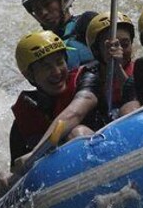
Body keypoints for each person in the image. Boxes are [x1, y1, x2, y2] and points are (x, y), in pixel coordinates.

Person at [6, 30, 98, 177]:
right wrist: (4, 180)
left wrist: (35, 153)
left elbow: (75, 113)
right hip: (62, 178)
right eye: (46, 67)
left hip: (103, 150)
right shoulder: (24, 119)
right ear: (29, 75)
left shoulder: (86, 78)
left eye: (59, 62)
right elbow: (17, 170)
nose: (56, 72)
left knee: (77, 133)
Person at [20, 0, 96, 69]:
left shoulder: (87, 22)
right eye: (37, 9)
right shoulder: (42, 45)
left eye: (47, 4)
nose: (43, 13)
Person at [84, 12, 141, 126]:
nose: (119, 51)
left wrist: (117, 68)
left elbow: (134, 96)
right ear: (96, 51)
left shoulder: (141, 69)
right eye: (109, 47)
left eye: (125, 45)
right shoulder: (87, 75)